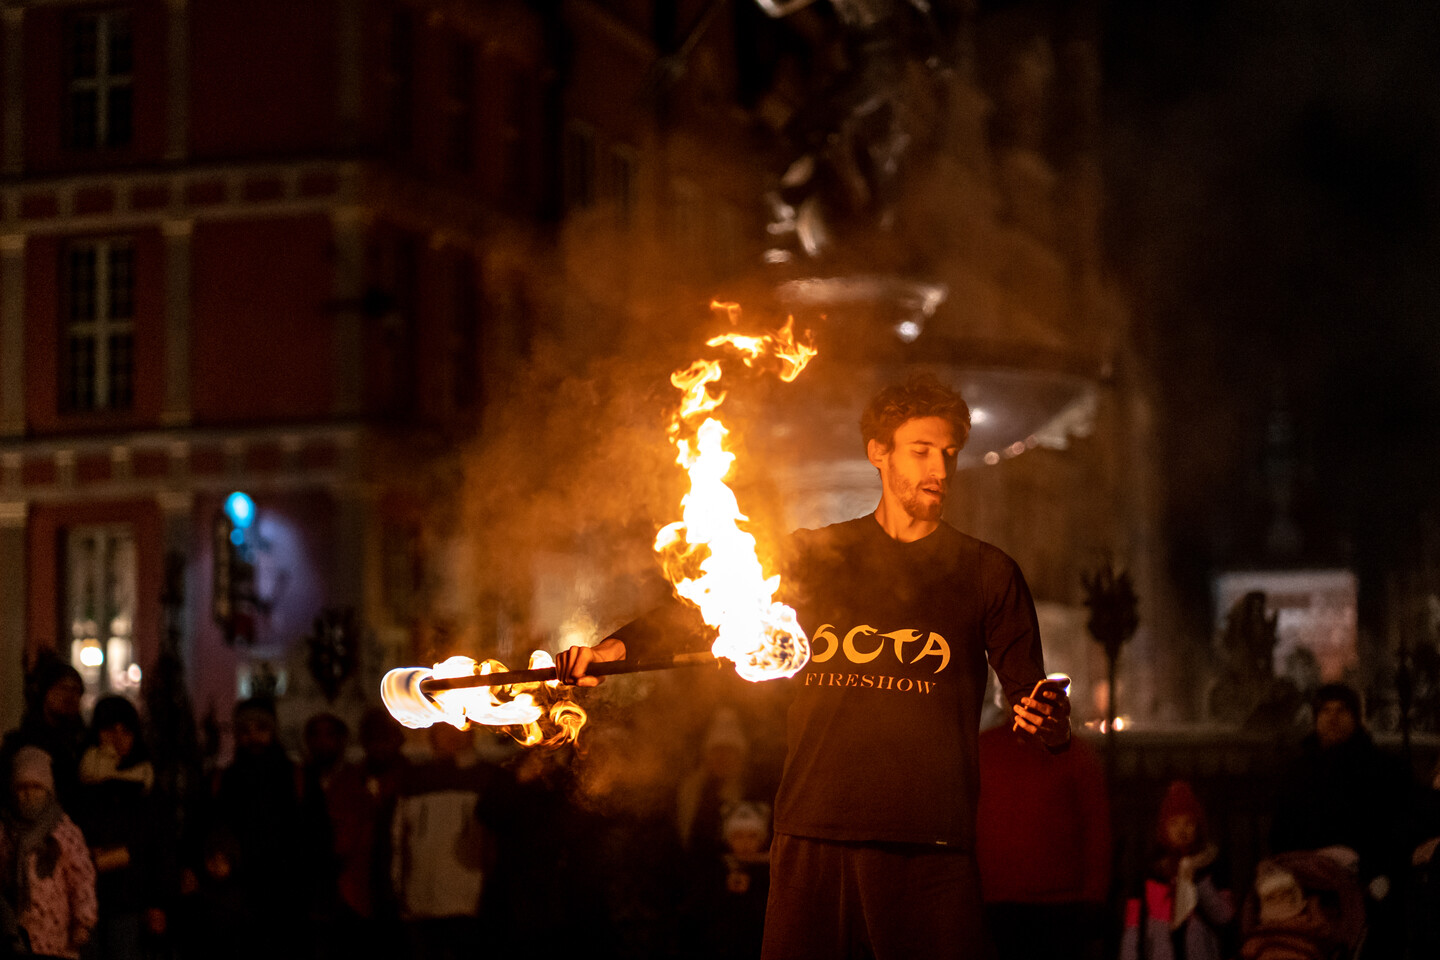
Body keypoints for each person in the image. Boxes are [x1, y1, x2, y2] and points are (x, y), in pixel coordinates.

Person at [557, 374, 1071, 960]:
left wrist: (1049, 722)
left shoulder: (987, 573)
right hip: (811, 835)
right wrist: (611, 651)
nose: (940, 469)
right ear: (878, 452)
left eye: (949, 453)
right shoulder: (817, 558)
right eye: (921, 451)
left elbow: (1033, 697)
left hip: (928, 845)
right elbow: (702, 606)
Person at [1269, 683, 1411, 959]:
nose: (1332, 717)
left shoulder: (1381, 768)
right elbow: (1282, 829)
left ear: (1356, 718)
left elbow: (1394, 825)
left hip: (1366, 877)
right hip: (1308, 877)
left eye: (1342, 710)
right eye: (1325, 710)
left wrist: (1374, 869)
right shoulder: (1298, 772)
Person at [976, 717, 1111, 960]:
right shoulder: (985, 747)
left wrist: (1094, 897)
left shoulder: (1073, 751)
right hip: (996, 901)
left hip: (1059, 904)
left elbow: (1095, 827)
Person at [75, 695, 164, 960]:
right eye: (109, 729)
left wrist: (158, 902)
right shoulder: (82, 777)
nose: (117, 738)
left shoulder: (145, 780)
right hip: (85, 896)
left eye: (125, 731)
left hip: (130, 900)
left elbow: (158, 846)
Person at [0, 746, 97, 959]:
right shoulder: (6, 831)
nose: (29, 794)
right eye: (22, 788)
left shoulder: (63, 830)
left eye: (36, 787)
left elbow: (81, 878)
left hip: (58, 938)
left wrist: (83, 920)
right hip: (17, 936)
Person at [1119, 780, 1235, 960]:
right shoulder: (1151, 869)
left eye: (1189, 823)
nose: (1182, 830)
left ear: (1198, 826)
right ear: (1164, 828)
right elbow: (1133, 923)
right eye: (1174, 823)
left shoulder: (1211, 865)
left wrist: (1199, 883)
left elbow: (1224, 916)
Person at [1, 657, 87, 816]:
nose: (69, 695)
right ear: (45, 692)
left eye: (75, 690)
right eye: (62, 688)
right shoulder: (22, 741)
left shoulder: (84, 741)